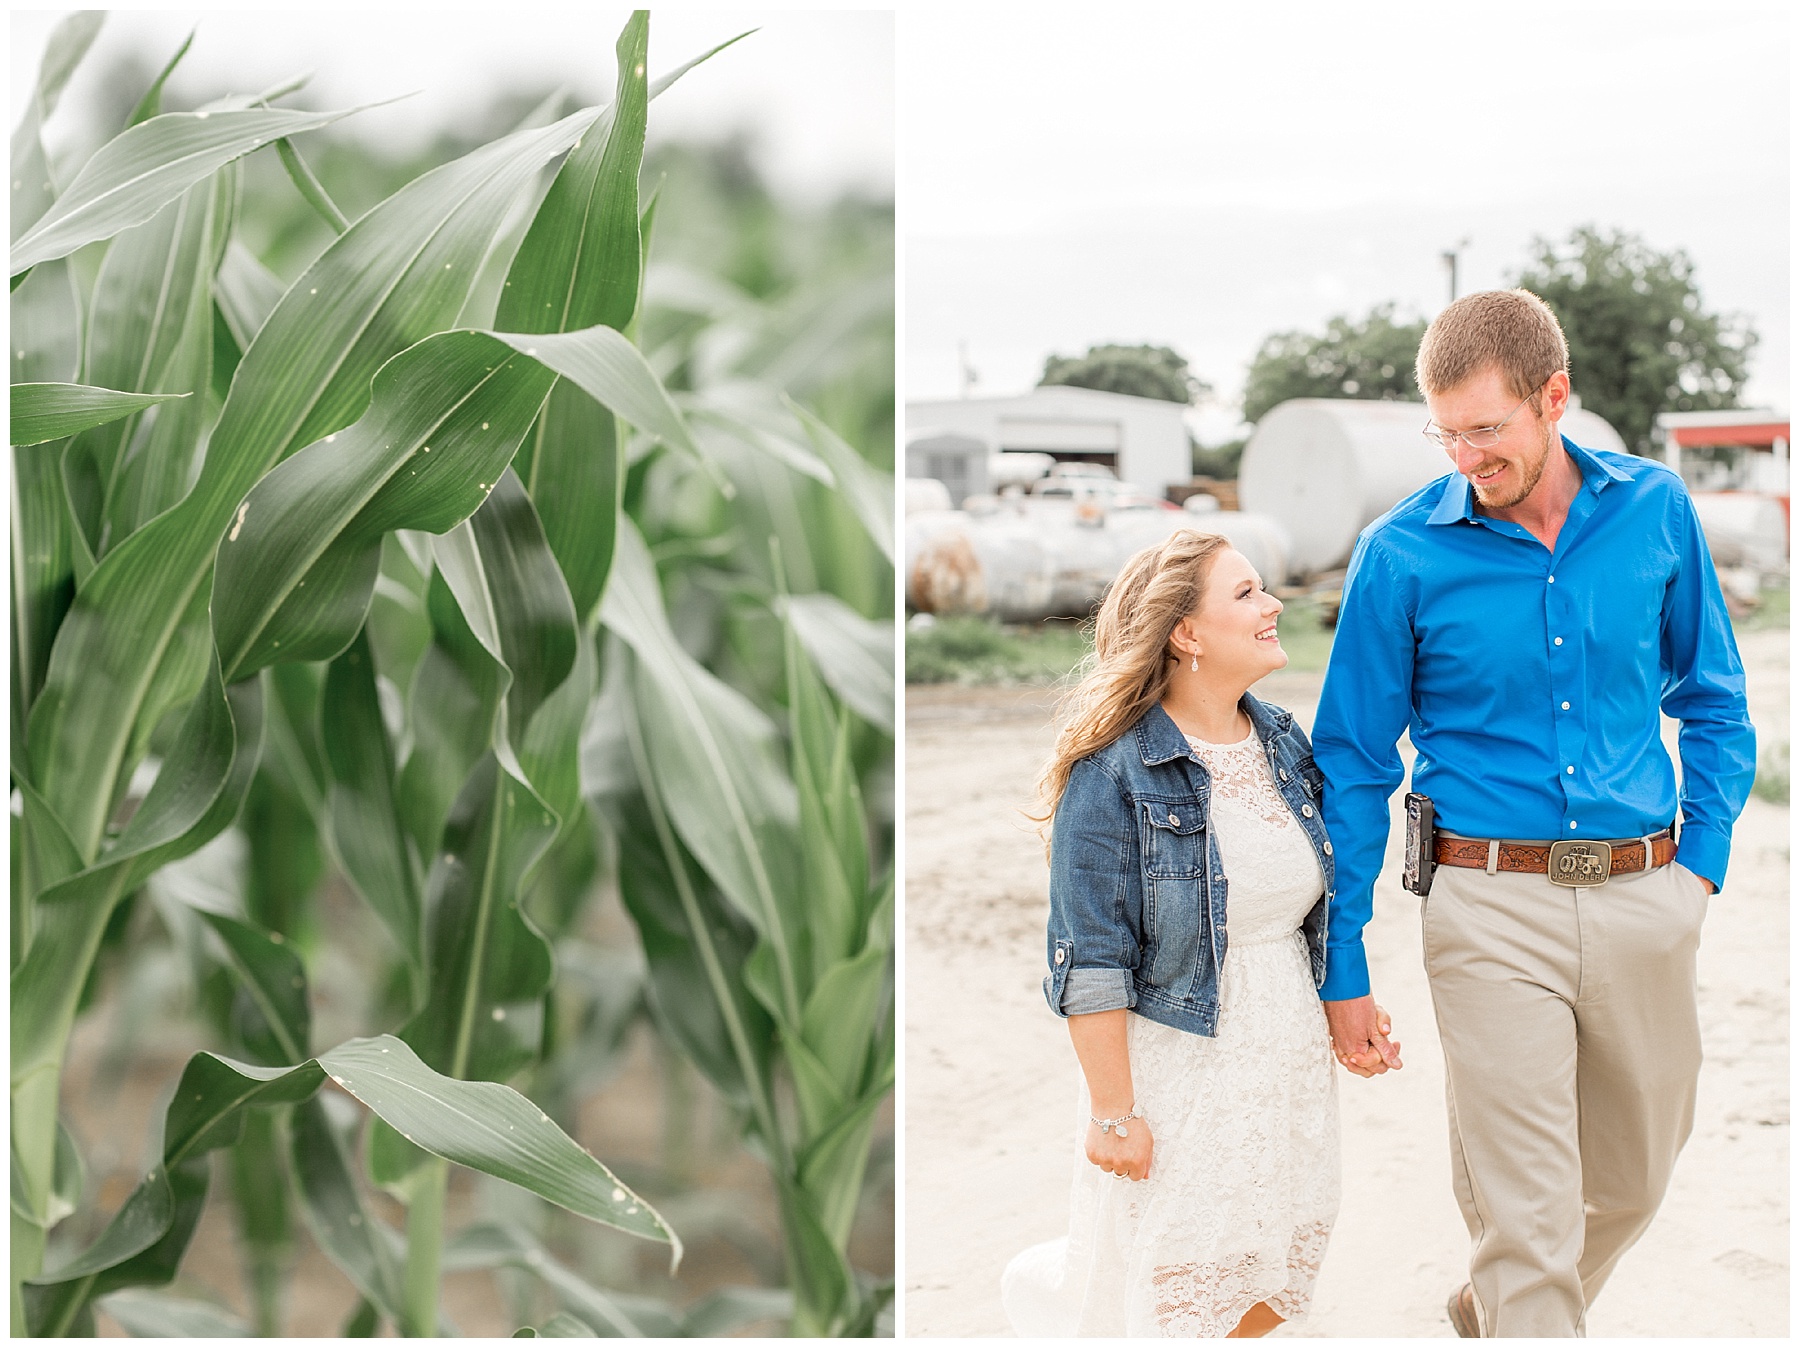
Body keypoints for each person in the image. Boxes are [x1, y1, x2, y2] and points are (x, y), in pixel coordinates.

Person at [1312, 289, 1756, 1337]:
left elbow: (1716, 700)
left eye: (1487, 428)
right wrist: (1346, 954)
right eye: (1447, 432)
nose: (1467, 455)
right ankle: (1524, 1295)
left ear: (1554, 397)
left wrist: (1700, 865)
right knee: (1529, 1215)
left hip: (1650, 892)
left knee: (1638, 1182)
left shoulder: (1655, 511)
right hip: (1486, 905)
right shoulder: (1402, 554)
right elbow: (1354, 759)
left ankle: (1502, 1304)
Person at [1002, 529, 1376, 1338]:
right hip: (1182, 1070)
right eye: (1246, 594)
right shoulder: (1110, 772)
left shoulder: (1280, 739)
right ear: (1186, 632)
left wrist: (1351, 1001)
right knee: (1183, 1299)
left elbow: (1313, 896)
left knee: (1271, 1291)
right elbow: (1089, 961)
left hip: (1287, 1061)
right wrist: (1114, 1114)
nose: (1274, 605)